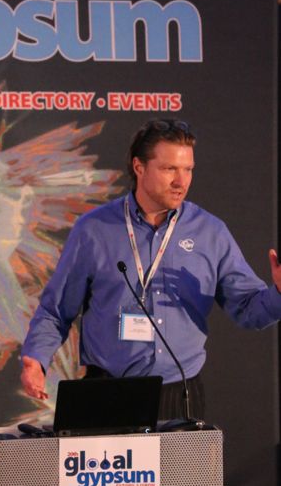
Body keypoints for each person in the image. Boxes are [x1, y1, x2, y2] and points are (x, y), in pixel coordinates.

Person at [20, 119, 281, 419]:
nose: (181, 181)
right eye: (169, 169)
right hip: (106, 391)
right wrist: (35, 359)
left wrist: (278, 292)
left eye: (188, 169)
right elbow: (56, 310)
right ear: (139, 167)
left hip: (179, 395)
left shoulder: (211, 233)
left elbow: (249, 310)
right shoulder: (94, 230)